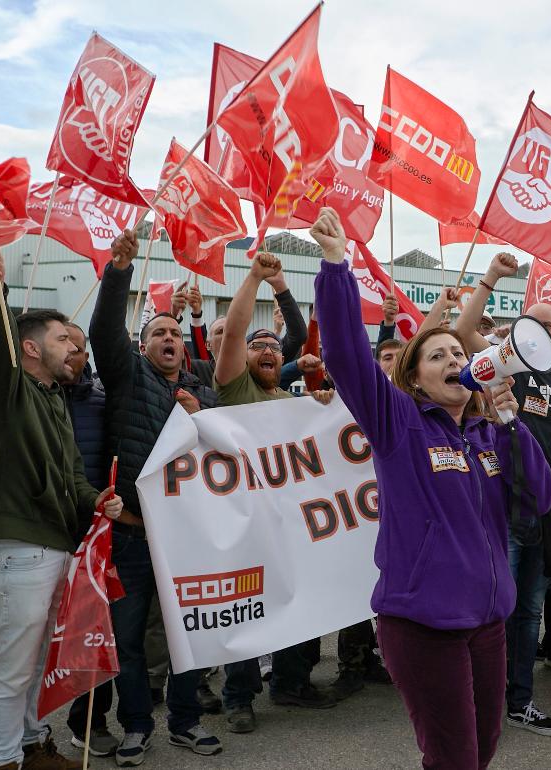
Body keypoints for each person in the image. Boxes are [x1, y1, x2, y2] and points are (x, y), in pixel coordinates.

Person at [311, 207, 551, 769]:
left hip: (488, 624)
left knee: (482, 750)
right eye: (439, 355)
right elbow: (347, 357)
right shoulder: (399, 421)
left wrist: (512, 424)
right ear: (416, 376)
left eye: (460, 353)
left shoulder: (490, 433)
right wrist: (334, 266)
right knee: (454, 758)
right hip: (422, 625)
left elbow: (538, 500)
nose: (455, 360)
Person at [0, 240, 112, 770]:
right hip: (15, 549)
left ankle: (31, 746)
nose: (73, 348)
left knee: (37, 663)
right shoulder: (8, 388)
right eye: (61, 339)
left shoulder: (54, 400)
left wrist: (104, 502)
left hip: (53, 547)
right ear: (30, 349)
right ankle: (2, 759)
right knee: (14, 668)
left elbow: (74, 478)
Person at [89, 230, 222, 766]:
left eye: (175, 334)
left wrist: (200, 416)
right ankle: (138, 725)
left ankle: (186, 722)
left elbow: (231, 455)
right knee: (129, 639)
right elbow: (103, 332)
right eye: (158, 333)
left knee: (189, 635)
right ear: (143, 348)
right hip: (133, 538)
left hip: (187, 541)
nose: (169, 338)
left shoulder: (202, 393)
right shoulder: (128, 378)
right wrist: (118, 272)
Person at [458, 253, 551, 737]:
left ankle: (520, 702)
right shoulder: (509, 363)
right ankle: (478, 701)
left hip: (550, 508)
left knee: (531, 609)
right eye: (538, 323)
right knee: (497, 605)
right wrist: (491, 277)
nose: (548, 331)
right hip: (505, 505)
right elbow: (465, 328)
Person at [213, 251, 338, 732]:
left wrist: (323, 404)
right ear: (242, 357)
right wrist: (253, 279)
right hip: (245, 527)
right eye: (256, 344)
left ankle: (291, 682)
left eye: (274, 346)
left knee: (299, 605)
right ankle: (238, 697)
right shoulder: (233, 389)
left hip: (292, 527)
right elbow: (240, 327)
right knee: (245, 615)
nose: (266, 349)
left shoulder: (293, 401)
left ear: (282, 360)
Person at [58, 321, 122, 758]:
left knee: (94, 630)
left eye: (78, 348)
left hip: (95, 531)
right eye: (62, 345)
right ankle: (24, 731)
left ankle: (90, 719)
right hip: (40, 532)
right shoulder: (27, 398)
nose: (70, 354)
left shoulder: (104, 401)